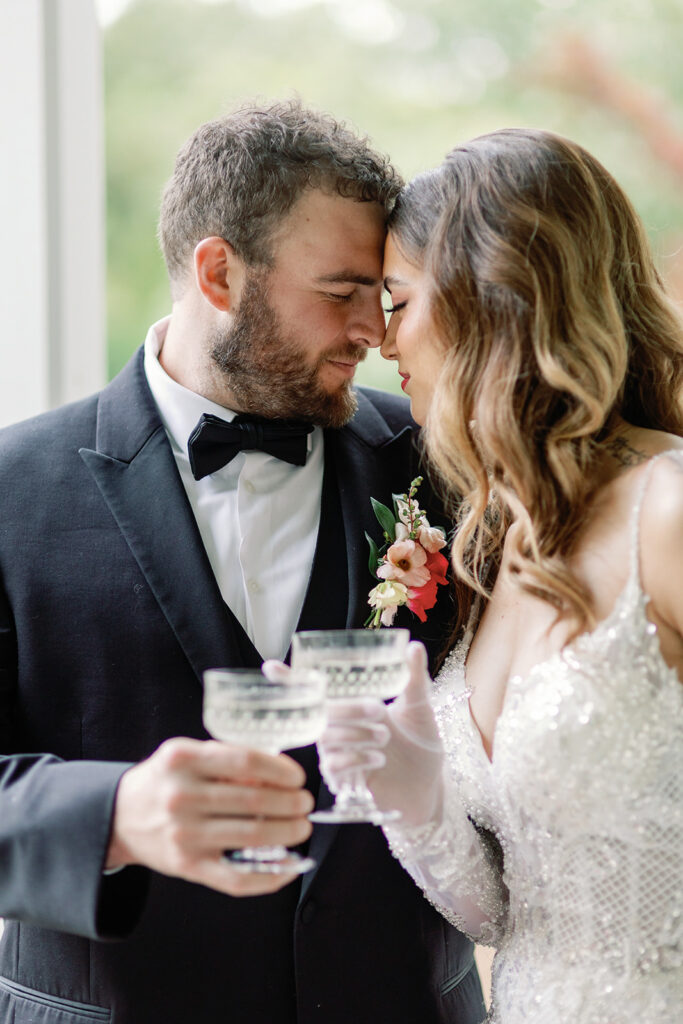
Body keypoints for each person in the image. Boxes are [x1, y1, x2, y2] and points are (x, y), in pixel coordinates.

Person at [0, 100, 486, 1023]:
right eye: (339, 292)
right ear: (219, 273)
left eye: (380, 299)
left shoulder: (442, 461)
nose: (372, 335)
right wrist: (113, 816)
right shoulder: (9, 491)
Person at [318, 128, 683, 1022]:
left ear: (495, 296)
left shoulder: (667, 511)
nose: (378, 339)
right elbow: (507, 916)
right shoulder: (490, 543)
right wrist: (407, 792)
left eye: (397, 301)